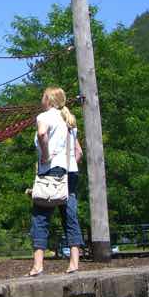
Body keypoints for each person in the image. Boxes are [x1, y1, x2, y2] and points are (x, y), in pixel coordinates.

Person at [28, 86, 84, 276]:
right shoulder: (69, 120)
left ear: (48, 99)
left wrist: (45, 156)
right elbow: (79, 153)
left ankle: (38, 265)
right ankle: (74, 263)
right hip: (71, 172)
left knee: (41, 214)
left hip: (51, 170)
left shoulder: (44, 117)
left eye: (43, 96)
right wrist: (67, 165)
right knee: (70, 215)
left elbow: (42, 134)